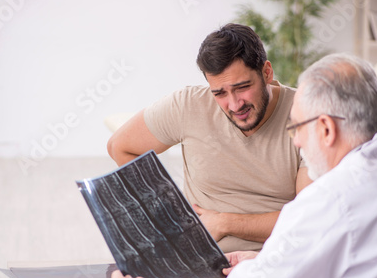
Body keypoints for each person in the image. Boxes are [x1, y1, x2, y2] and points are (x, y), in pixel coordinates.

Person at [109, 53, 377, 278]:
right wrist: (265, 260)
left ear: (326, 129)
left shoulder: (334, 199)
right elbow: (362, 258)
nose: (295, 142)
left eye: (297, 127)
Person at [107, 23, 311, 253]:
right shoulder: (188, 105)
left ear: (266, 72)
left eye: (242, 87)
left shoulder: (306, 115)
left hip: (276, 261)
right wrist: (165, 212)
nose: (234, 105)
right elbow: (120, 146)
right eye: (220, 93)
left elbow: (310, 217)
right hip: (198, 261)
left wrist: (225, 223)